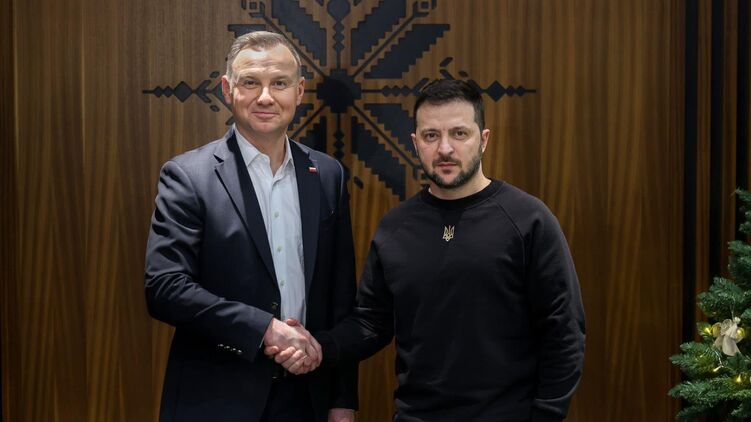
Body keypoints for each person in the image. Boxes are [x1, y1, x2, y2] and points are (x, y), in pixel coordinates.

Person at [269, 79, 586, 421]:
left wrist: (546, 415)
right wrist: (317, 346)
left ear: (483, 140)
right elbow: (371, 323)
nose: (445, 148)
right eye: (431, 135)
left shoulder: (528, 220)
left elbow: (564, 331)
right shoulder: (395, 228)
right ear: (416, 143)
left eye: (459, 134)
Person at [144, 31, 357, 422]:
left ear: (299, 91)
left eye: (280, 83)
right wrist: (264, 329)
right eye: (250, 83)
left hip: (307, 397)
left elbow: (340, 297)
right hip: (216, 399)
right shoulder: (188, 176)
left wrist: (342, 400)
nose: (265, 97)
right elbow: (165, 288)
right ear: (228, 90)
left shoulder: (328, 175)